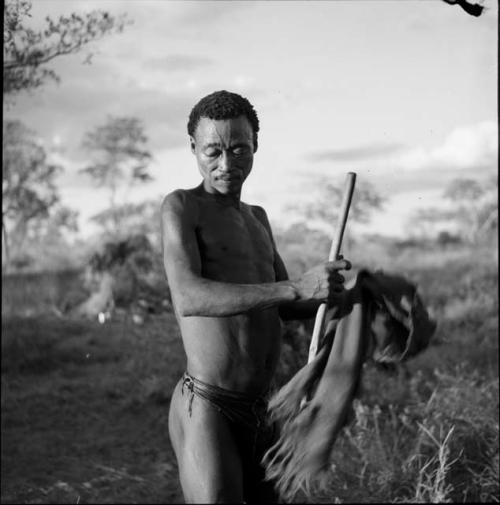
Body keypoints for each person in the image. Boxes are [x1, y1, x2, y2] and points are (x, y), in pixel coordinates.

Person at [161, 90, 351, 503]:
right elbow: (189, 297)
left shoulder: (258, 218)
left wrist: (336, 294)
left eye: (239, 150)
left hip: (263, 408)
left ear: (256, 147)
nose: (226, 164)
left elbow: (285, 305)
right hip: (209, 405)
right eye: (212, 151)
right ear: (193, 148)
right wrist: (296, 286)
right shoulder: (182, 207)